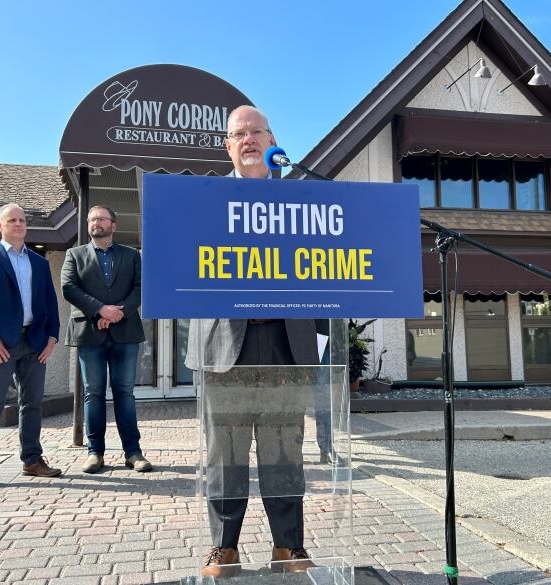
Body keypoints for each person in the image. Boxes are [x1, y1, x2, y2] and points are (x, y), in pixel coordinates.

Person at [186, 105, 318, 578]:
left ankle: (289, 547)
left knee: (284, 449)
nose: (248, 140)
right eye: (238, 134)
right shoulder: (202, 200)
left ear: (272, 140)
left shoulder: (304, 203)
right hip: (226, 344)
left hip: (287, 342)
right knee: (227, 451)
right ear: (227, 146)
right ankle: (224, 548)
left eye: (256, 132)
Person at [0, 203, 62, 491]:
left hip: (34, 342)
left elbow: (50, 303)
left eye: (21, 220)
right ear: (0, 226)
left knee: (32, 404)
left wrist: (52, 337)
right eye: (12, 220)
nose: (18, 224)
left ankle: (32, 460)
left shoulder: (40, 263)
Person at [61, 205, 153, 474]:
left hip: (125, 332)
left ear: (114, 225)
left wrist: (116, 314)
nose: (95, 222)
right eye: (92, 219)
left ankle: (133, 453)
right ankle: (95, 453)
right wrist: (101, 310)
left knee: (125, 394)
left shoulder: (131, 255)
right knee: (94, 393)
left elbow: (141, 287)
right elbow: (69, 287)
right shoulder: (74, 254)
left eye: (101, 218)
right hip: (89, 333)